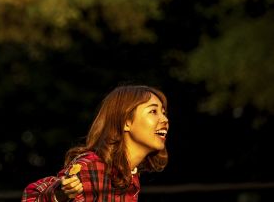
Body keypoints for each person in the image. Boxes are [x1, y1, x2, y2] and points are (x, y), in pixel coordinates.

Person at [22, 85, 169, 202]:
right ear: (126, 122)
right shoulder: (91, 166)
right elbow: (32, 196)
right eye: (153, 112)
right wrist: (59, 194)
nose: (165, 120)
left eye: (163, 112)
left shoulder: (131, 177)